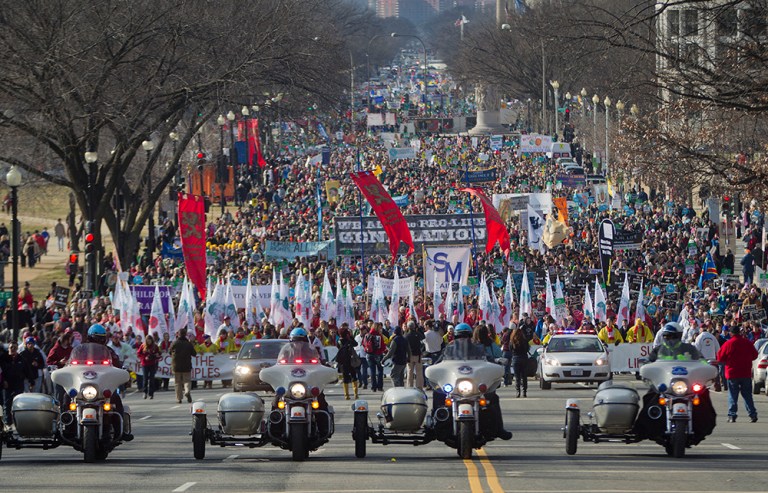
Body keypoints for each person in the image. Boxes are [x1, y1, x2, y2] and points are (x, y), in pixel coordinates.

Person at [431, 323, 512, 441]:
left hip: (474, 386)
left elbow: (488, 360)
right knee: (438, 393)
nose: (462, 339)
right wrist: (434, 368)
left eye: (465, 336)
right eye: (460, 337)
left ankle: (499, 429)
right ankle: (436, 424)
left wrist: (496, 363)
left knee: (492, 397)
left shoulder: (479, 349)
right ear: (455, 337)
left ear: (470, 336)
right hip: (455, 387)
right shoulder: (448, 350)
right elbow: (439, 363)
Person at [717, 325, 758, 423]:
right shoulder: (747, 343)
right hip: (745, 372)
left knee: (732, 395)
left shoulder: (728, 344)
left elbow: (720, 357)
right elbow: (755, 355)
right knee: (747, 395)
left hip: (732, 373)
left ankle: (732, 415)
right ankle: (752, 414)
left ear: (731, 333)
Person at [0, 343, 33, 425]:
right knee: (7, 405)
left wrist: (31, 382)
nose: (13, 349)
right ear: (8, 348)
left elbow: (27, 371)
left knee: (19, 404)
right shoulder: (3, 358)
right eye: (11, 347)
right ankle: (8, 424)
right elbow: (1, 372)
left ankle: (19, 423)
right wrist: (3, 381)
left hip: (18, 384)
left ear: (17, 348)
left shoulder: (21, 359)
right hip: (7, 385)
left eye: (15, 347)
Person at [170, 328, 197, 404]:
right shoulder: (188, 344)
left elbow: (169, 351)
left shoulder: (175, 343)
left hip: (176, 366)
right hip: (186, 365)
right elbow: (194, 353)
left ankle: (179, 398)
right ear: (185, 335)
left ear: (178, 334)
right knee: (187, 381)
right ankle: (187, 391)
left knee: (177, 382)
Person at [695, 326, 722, 391]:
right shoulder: (712, 337)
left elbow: (696, 349)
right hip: (712, 358)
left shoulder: (699, 337)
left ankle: (702, 386)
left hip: (703, 359)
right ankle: (717, 385)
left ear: (700, 329)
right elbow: (718, 349)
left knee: (702, 374)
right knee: (715, 373)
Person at [335, 326, 359, 400]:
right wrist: (351, 337)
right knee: (354, 376)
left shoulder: (338, 341)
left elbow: (338, 347)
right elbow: (356, 344)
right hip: (350, 360)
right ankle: (355, 394)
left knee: (345, 378)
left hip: (342, 361)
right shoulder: (349, 340)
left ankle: (346, 395)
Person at [363, 322, 387, 392]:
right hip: (378, 354)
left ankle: (373, 387)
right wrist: (382, 351)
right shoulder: (379, 336)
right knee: (380, 370)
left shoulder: (367, 335)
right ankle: (380, 386)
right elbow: (383, 346)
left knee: (372, 371)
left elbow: (363, 344)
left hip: (369, 355)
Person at [137, 335, 162, 399]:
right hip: (145, 364)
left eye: (150, 340)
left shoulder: (155, 346)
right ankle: (145, 392)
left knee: (152, 379)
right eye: (147, 340)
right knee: (145, 379)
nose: (149, 341)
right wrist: (144, 358)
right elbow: (138, 354)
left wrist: (156, 355)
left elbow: (159, 353)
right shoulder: (143, 346)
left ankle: (151, 393)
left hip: (152, 364)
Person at [510, 326, 530, 398]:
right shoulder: (525, 340)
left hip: (516, 358)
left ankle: (518, 391)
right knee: (524, 376)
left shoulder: (512, 341)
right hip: (524, 358)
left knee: (517, 376)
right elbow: (528, 348)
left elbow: (510, 349)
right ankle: (524, 391)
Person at [404, 321, 425, 389]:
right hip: (418, 355)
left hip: (409, 356)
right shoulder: (418, 334)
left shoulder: (406, 335)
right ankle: (419, 386)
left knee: (410, 372)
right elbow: (423, 337)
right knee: (419, 372)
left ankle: (410, 386)